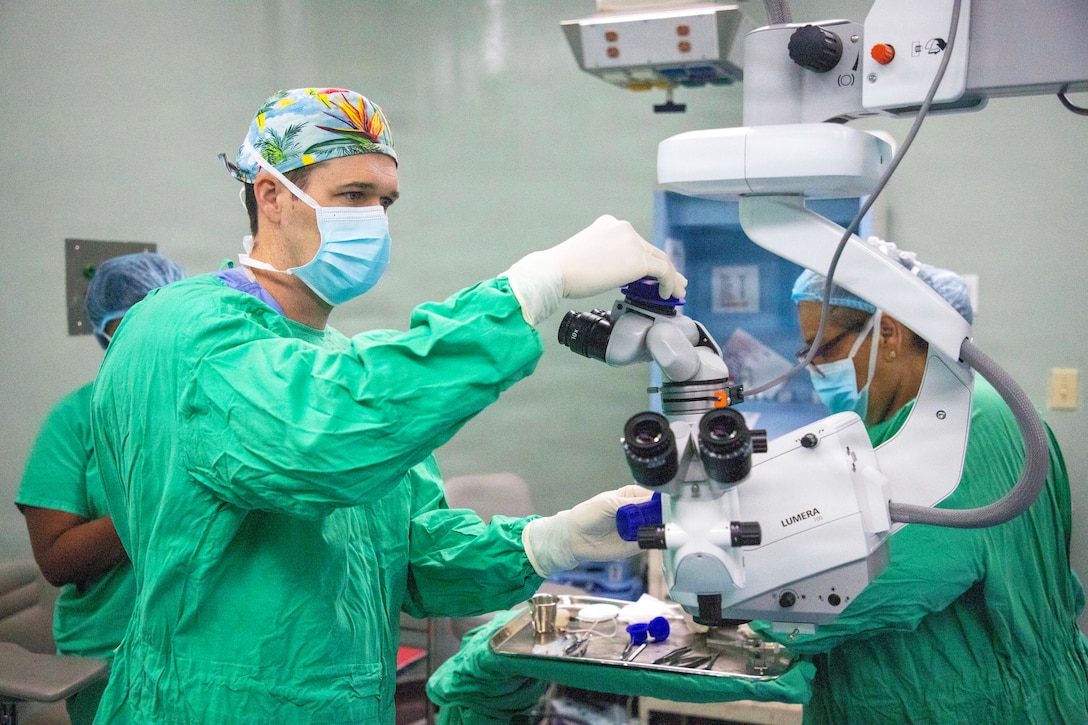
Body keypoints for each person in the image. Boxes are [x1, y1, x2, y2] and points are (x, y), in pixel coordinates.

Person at [88, 87, 685, 724]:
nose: (374, 216)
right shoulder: (187, 332)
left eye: (385, 200)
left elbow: (411, 556)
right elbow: (319, 440)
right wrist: (530, 288)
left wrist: (552, 541)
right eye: (352, 195)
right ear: (271, 196)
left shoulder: (333, 361)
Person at [749, 243, 1088, 723]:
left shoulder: (969, 426)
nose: (815, 368)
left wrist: (742, 605)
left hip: (982, 706)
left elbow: (872, 587)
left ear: (887, 331)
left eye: (824, 349)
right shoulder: (897, 425)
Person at [15, 252, 185, 725]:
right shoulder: (75, 419)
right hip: (110, 652)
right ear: (106, 331)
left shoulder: (205, 405)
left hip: (207, 644)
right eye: (132, 321)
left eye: (164, 317)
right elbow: (55, 558)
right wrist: (158, 506)